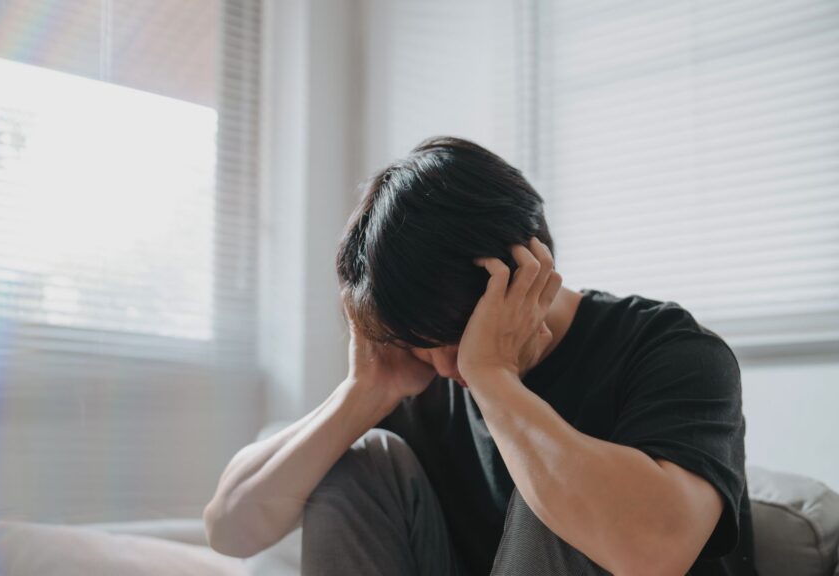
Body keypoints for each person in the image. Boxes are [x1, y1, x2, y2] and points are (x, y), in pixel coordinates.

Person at [203, 137, 756, 575]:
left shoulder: (671, 350)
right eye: (423, 341)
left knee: (564, 489)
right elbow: (229, 530)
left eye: (455, 338)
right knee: (359, 459)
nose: (446, 368)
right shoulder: (418, 372)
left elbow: (654, 552)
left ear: (528, 272)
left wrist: (493, 379)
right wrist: (361, 394)